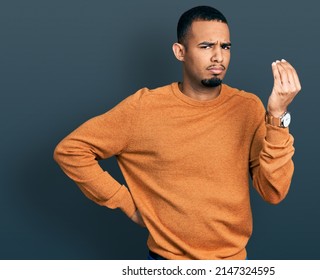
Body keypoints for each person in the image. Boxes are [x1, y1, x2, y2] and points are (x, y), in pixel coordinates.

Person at [53, 5, 301, 260]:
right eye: (206, 46)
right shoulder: (144, 108)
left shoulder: (247, 107)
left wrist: (278, 115)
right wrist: (127, 205)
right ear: (180, 52)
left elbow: (274, 192)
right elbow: (71, 150)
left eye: (225, 47)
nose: (218, 57)